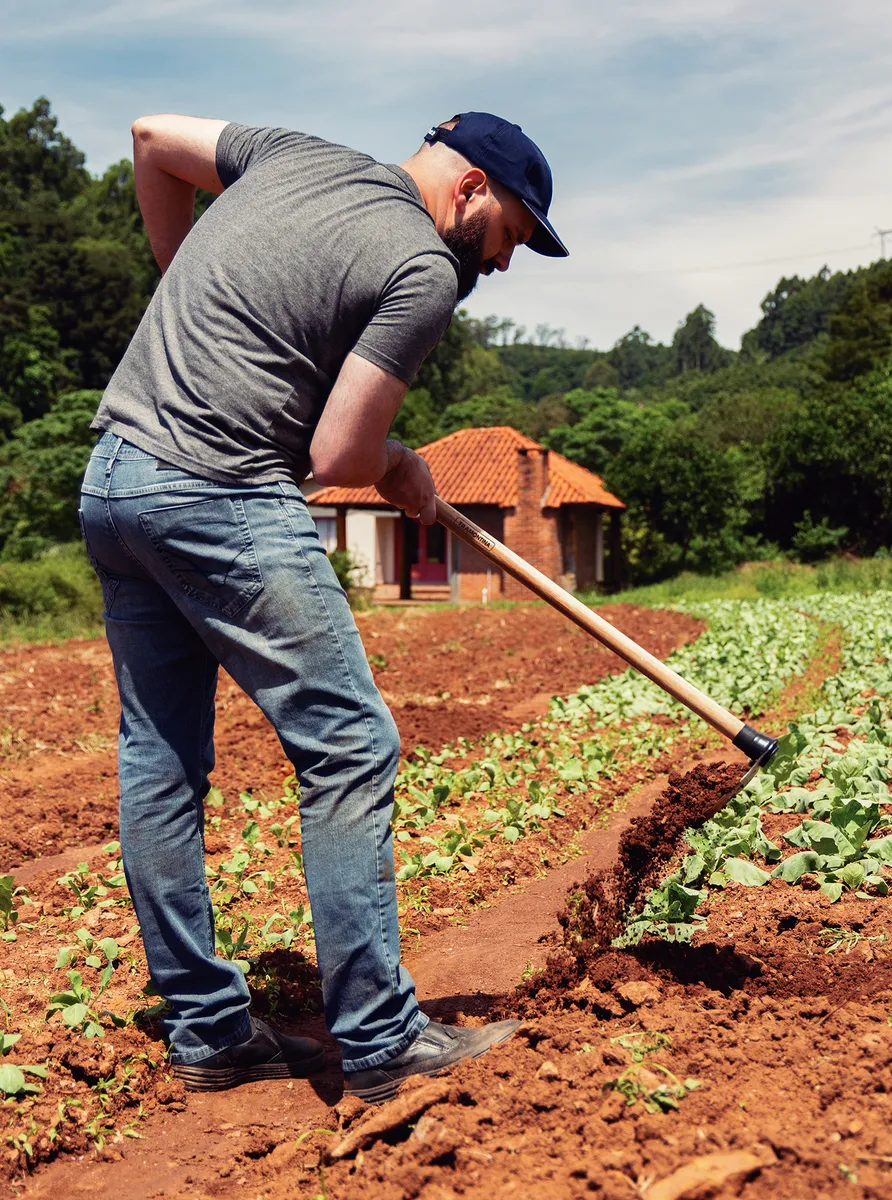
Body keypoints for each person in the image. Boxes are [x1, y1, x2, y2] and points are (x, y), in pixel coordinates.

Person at [78, 111, 568, 1103]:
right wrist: (398, 466)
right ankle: (381, 1039)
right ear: (472, 189)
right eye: (512, 235)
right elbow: (337, 457)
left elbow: (149, 139)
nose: (504, 265)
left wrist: (181, 285)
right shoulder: (422, 267)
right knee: (350, 746)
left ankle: (212, 1036)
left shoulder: (291, 154)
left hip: (114, 478)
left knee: (161, 759)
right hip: (219, 488)